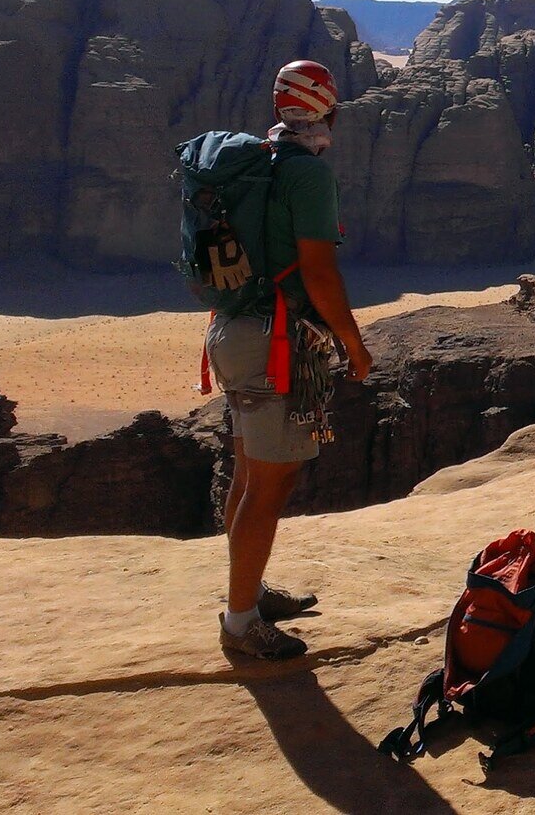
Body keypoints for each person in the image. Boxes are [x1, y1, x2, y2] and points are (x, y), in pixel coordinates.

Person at [212, 60, 372, 660]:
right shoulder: (306, 174)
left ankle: (246, 592)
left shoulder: (255, 160)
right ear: (327, 110)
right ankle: (240, 622)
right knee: (270, 486)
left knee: (250, 475)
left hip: (231, 331)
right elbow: (319, 272)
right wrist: (352, 342)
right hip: (271, 342)